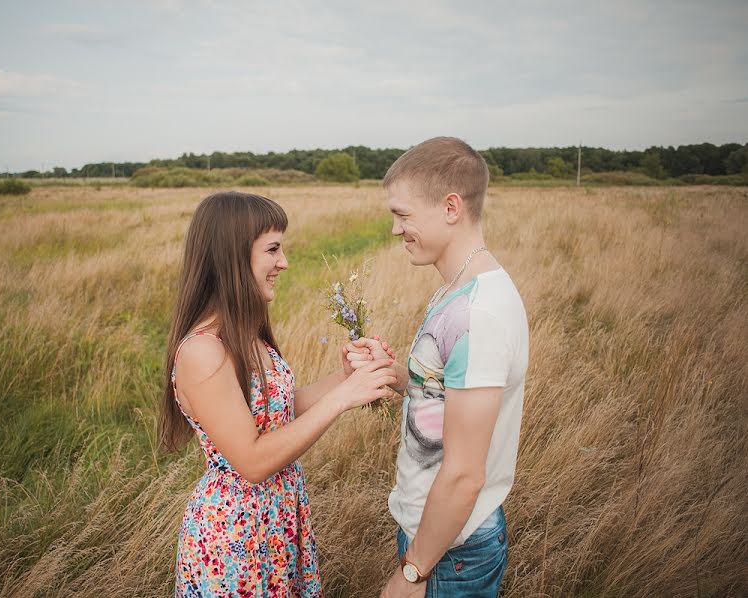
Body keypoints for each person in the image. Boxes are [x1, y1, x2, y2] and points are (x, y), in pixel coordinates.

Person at [161, 191, 398, 597]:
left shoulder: (245, 334)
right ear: (233, 255)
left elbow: (278, 412)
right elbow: (252, 461)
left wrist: (343, 379)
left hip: (275, 521)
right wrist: (343, 400)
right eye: (273, 249)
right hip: (234, 540)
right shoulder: (202, 352)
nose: (283, 262)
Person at [346, 137, 529, 597]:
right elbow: (443, 392)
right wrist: (393, 373)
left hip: (452, 551)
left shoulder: (478, 314)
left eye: (403, 215)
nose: (395, 229)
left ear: (451, 207)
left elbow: (465, 473)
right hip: (436, 534)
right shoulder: (457, 290)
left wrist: (412, 573)